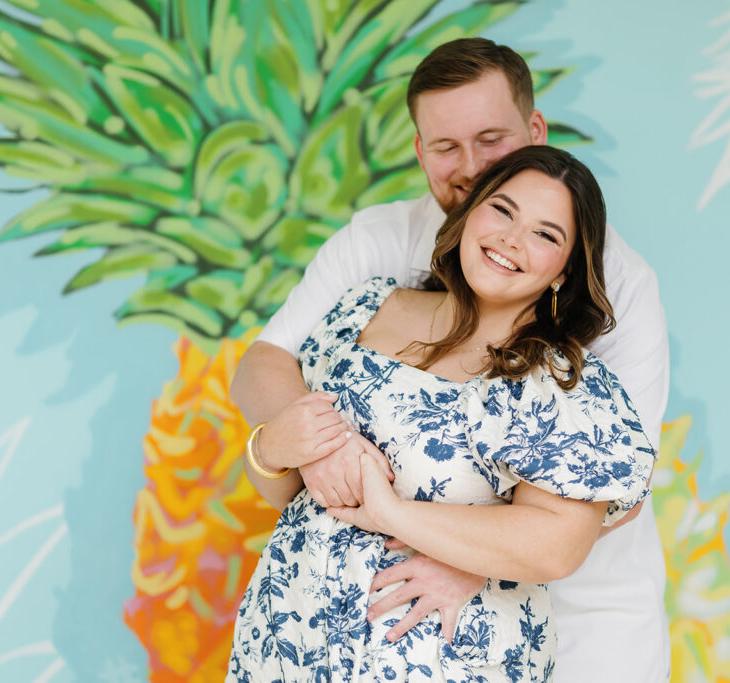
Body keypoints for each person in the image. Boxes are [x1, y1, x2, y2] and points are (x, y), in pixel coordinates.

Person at [231, 39, 671, 681]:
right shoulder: (374, 267)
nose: (469, 168)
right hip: (300, 632)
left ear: (533, 130)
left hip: (559, 618)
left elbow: (610, 493)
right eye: (445, 147)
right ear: (420, 150)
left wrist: (467, 553)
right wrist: (296, 445)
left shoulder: (611, 301)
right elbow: (270, 364)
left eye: (491, 139)